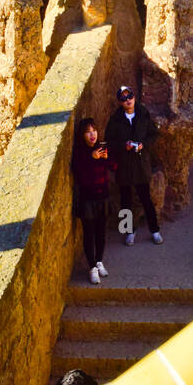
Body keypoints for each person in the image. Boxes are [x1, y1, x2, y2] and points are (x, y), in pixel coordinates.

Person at [105, 86, 163, 246]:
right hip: (123, 164)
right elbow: (109, 142)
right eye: (123, 98)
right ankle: (128, 231)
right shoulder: (115, 119)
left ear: (134, 96)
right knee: (125, 199)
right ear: (120, 102)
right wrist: (124, 145)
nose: (127, 100)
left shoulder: (143, 114)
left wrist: (143, 145)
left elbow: (154, 135)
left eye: (129, 96)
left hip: (140, 163)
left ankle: (155, 230)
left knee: (145, 198)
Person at [72, 116, 115, 284]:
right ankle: (92, 268)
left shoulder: (102, 148)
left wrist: (106, 158)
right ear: (82, 135)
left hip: (102, 198)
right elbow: (80, 175)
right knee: (89, 235)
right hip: (87, 200)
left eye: (94, 131)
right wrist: (92, 158)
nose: (92, 135)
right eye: (88, 132)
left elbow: (114, 167)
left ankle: (99, 261)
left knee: (101, 233)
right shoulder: (80, 152)